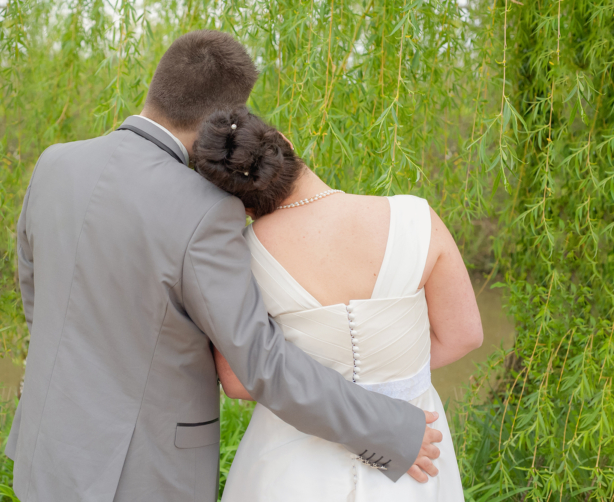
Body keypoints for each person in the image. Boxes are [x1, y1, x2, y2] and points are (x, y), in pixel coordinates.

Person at [5, 30, 441, 502]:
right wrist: (389, 430)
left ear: (157, 86)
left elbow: (38, 298)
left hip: (46, 448)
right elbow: (259, 360)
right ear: (222, 118)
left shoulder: (53, 166)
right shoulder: (205, 210)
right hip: (142, 473)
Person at [192, 107, 483, 501]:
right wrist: (395, 373)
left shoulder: (238, 258)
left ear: (237, 202)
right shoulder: (415, 218)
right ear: (287, 144)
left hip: (291, 461)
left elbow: (237, 381)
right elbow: (464, 335)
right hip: (417, 444)